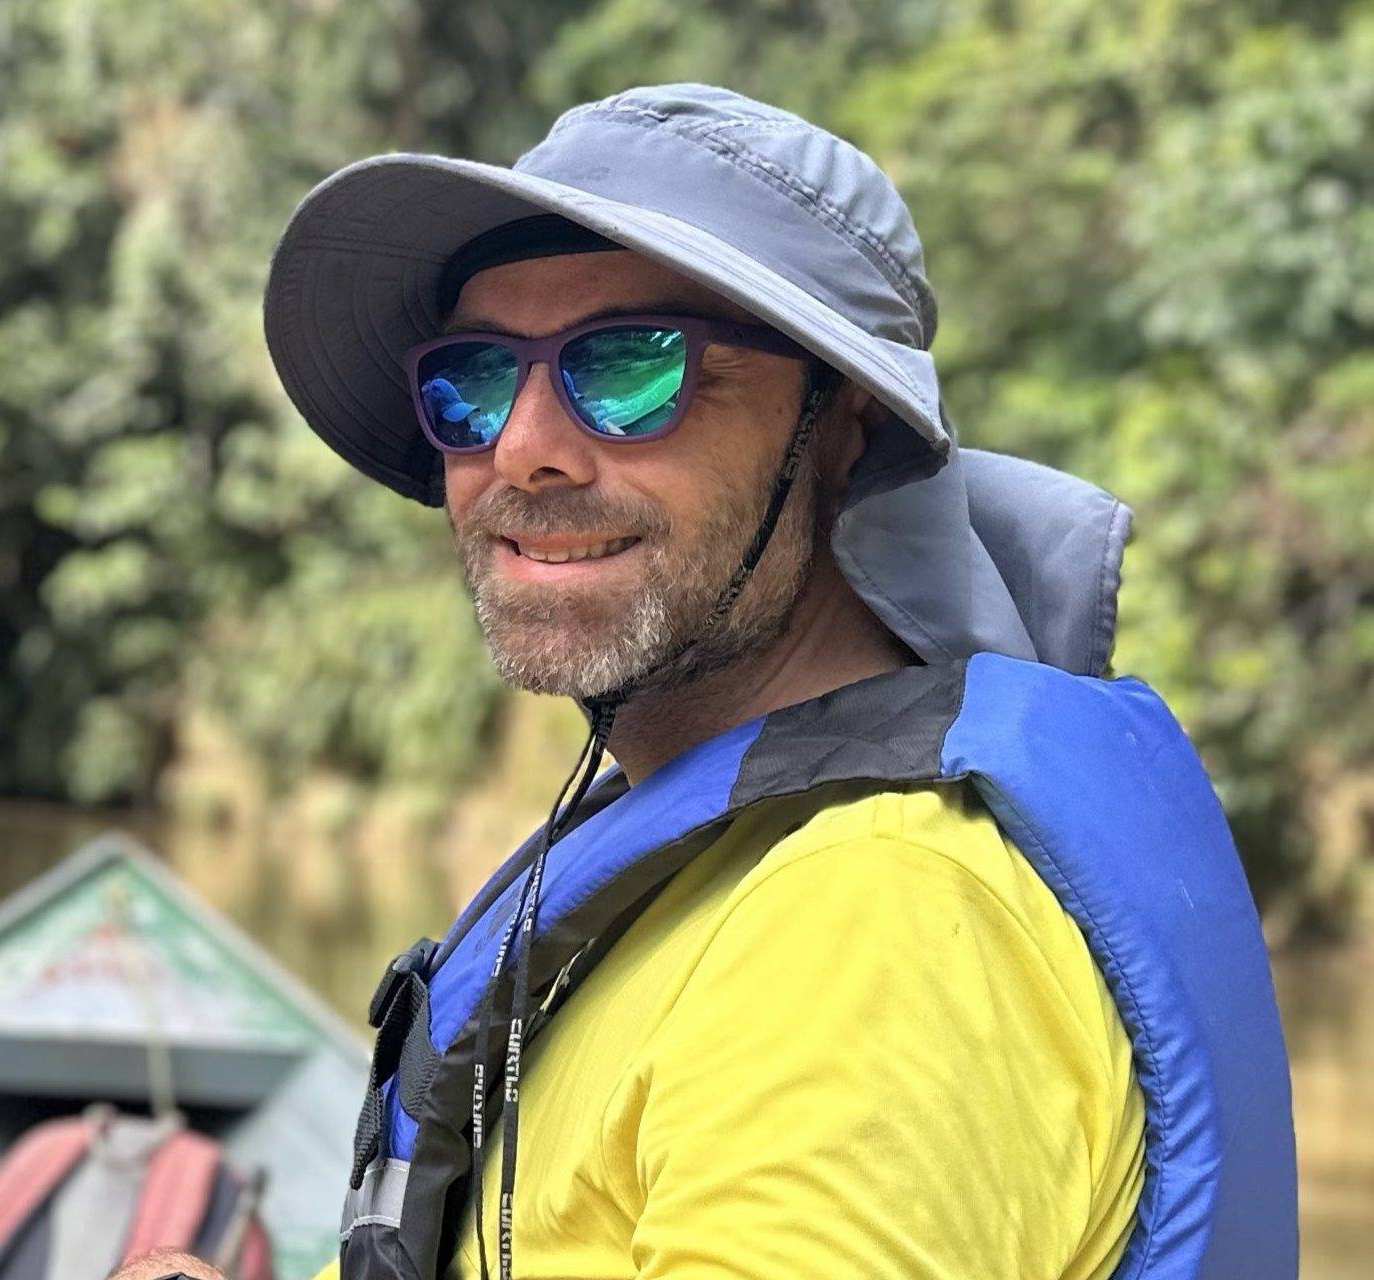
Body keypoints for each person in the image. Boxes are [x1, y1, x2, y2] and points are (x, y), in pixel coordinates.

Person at [151, 83, 1298, 1279]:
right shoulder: (716, 856)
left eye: (631, 366)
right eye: (475, 380)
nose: (523, 446)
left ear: (841, 424)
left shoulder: (873, 923)